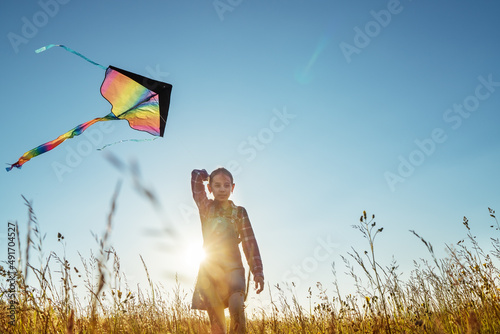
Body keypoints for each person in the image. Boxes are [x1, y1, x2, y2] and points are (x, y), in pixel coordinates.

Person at [191, 168, 264, 334]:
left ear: (233, 187)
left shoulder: (239, 212)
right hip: (210, 271)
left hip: (234, 268)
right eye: (217, 185)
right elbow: (195, 181)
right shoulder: (206, 207)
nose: (222, 189)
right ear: (210, 188)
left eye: (226, 185)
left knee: (237, 306)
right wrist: (205, 175)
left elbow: (249, 242)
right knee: (217, 325)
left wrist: (257, 271)